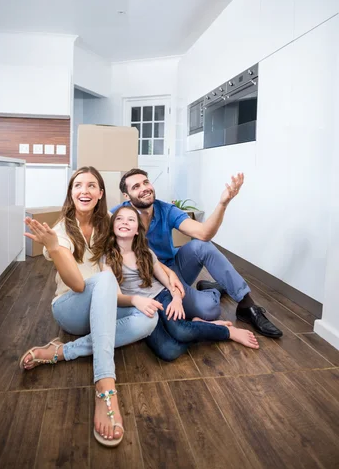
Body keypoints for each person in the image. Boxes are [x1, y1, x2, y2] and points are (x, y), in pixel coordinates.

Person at [20, 166, 158, 448]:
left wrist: (135, 299)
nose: (85, 190)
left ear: (101, 194)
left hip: (103, 303)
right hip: (70, 308)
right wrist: (55, 248)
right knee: (105, 279)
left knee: (149, 318)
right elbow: (79, 285)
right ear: (71, 194)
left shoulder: (108, 222)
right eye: (78, 186)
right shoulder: (58, 232)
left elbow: (115, 280)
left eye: (91, 185)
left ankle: (63, 351)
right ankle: (105, 386)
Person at [111, 169, 283, 338]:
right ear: (126, 196)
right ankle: (213, 290)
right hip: (151, 279)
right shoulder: (118, 217)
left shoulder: (166, 210)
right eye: (136, 187)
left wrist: (223, 203)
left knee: (202, 245)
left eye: (146, 182)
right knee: (209, 310)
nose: (144, 188)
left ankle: (247, 305)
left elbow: (203, 233)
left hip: (174, 269)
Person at [100, 206, 259, 361]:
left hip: (161, 296)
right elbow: (115, 296)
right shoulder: (106, 258)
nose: (124, 222)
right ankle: (199, 325)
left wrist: (176, 299)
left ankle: (227, 332)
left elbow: (167, 281)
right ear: (112, 226)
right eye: (119, 219)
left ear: (137, 230)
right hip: (141, 308)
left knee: (181, 331)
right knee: (169, 351)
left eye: (131, 219)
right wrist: (137, 301)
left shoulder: (145, 252)